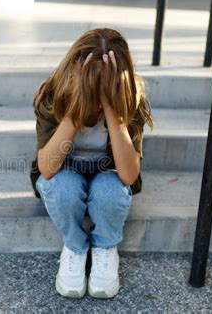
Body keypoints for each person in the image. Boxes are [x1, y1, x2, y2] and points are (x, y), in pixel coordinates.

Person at [29, 28, 154, 298]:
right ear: (73, 77)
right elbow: (48, 168)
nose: (96, 105)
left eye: (104, 94)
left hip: (110, 173)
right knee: (62, 187)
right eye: (91, 93)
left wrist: (115, 113)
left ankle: (105, 247)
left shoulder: (130, 99)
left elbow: (129, 176)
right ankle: (75, 247)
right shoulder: (54, 94)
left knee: (110, 190)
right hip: (64, 171)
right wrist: (76, 110)